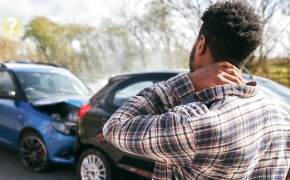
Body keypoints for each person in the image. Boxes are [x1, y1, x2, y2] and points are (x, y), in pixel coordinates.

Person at [103, 1, 290, 179]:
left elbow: (115, 127)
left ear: (201, 43)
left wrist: (187, 81)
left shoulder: (195, 124)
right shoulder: (281, 117)